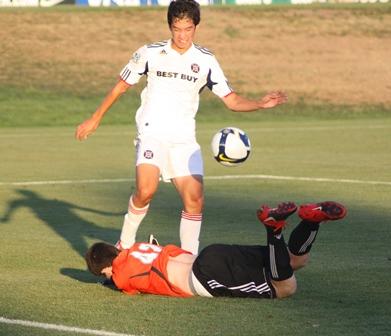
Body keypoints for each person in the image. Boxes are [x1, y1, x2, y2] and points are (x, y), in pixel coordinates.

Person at [75, 0, 288, 255]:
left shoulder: (206, 60)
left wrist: (260, 104)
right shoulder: (150, 53)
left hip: (184, 139)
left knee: (195, 199)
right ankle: (124, 246)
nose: (182, 35)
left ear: (195, 27)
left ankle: (189, 260)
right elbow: (121, 86)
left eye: (188, 28)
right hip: (152, 132)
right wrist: (95, 118)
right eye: (177, 28)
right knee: (145, 191)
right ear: (170, 26)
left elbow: (231, 100)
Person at [85, 201, 347, 299]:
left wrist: (108, 278)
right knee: (293, 261)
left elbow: (117, 280)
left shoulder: (119, 274)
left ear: (108, 267)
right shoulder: (140, 247)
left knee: (285, 288)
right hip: (211, 254)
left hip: (205, 277)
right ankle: (311, 222)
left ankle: (274, 229)